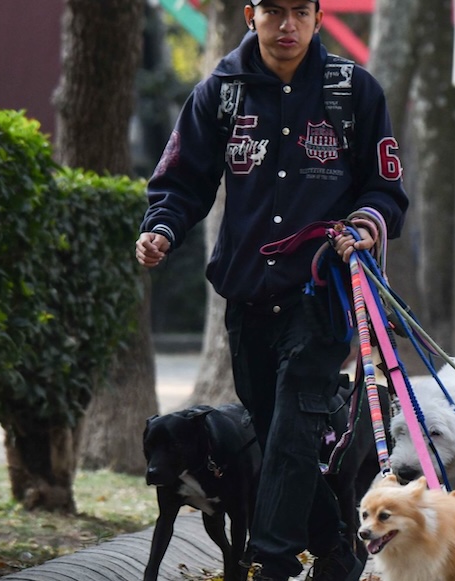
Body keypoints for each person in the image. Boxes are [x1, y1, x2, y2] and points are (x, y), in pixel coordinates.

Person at [135, 1, 408, 579]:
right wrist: (161, 228)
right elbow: (183, 181)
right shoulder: (220, 94)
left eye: (301, 12)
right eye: (275, 11)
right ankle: (337, 551)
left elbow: (385, 190)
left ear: (317, 16)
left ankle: (270, 563)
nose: (288, 26)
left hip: (321, 300)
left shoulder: (354, 93)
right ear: (249, 14)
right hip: (248, 298)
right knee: (277, 428)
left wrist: (361, 227)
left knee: (289, 433)